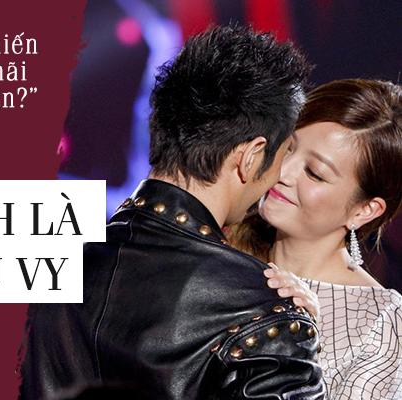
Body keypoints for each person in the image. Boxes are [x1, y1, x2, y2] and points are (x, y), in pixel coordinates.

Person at [19, 24, 326, 399]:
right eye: (284, 155)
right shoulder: (263, 313)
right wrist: (299, 332)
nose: (280, 176)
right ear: (251, 156)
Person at [229, 79, 402, 399]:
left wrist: (300, 347)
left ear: (364, 210)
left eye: (315, 173)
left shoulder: (380, 323)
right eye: (288, 147)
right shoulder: (219, 246)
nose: (283, 172)